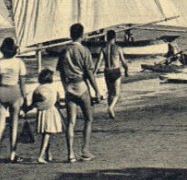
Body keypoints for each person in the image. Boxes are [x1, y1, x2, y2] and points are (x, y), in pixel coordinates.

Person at [57, 23, 102, 162]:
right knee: (88, 119)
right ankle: (85, 150)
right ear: (82, 35)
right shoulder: (84, 51)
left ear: (70, 34)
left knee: (71, 122)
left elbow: (61, 73)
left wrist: (65, 87)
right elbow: (89, 73)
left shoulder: (64, 51)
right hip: (81, 85)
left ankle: (70, 154)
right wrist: (97, 90)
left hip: (70, 86)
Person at [0, 37, 27, 165]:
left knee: (0, 124)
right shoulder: (19, 62)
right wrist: (25, 98)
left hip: (2, 91)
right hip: (15, 91)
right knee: (14, 124)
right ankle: (12, 154)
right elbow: (22, 82)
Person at [30, 68, 64, 164]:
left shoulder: (37, 89)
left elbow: (33, 103)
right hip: (51, 111)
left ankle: (48, 154)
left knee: (46, 133)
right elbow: (58, 101)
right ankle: (40, 156)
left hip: (41, 112)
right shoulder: (53, 88)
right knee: (47, 133)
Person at [93, 30, 129, 118]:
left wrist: (94, 72)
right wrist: (126, 70)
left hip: (107, 71)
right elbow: (123, 62)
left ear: (106, 37)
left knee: (110, 92)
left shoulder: (104, 48)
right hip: (116, 70)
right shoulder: (118, 48)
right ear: (114, 37)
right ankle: (111, 107)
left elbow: (98, 62)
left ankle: (110, 111)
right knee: (116, 93)